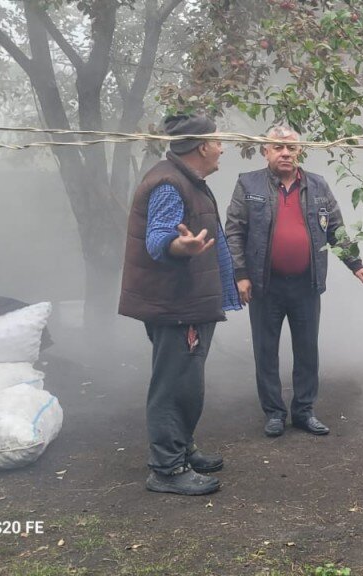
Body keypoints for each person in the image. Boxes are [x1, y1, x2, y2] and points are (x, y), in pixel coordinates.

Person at [225, 125, 363, 438]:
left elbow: (336, 229)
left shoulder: (318, 185)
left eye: (291, 148)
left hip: (305, 285)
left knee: (307, 350)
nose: (285, 153)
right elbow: (234, 232)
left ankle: (304, 411)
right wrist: (240, 275)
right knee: (266, 351)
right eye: (278, 148)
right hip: (265, 285)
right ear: (265, 151)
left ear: (300, 152)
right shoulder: (248, 183)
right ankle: (274, 414)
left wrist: (356, 264)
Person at [118, 113, 240, 496]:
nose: (222, 147)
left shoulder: (188, 180)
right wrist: (179, 245)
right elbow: (157, 238)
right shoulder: (170, 184)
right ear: (202, 146)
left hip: (187, 301)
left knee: (187, 383)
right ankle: (167, 469)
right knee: (174, 386)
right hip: (176, 305)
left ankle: (182, 450)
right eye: (218, 141)